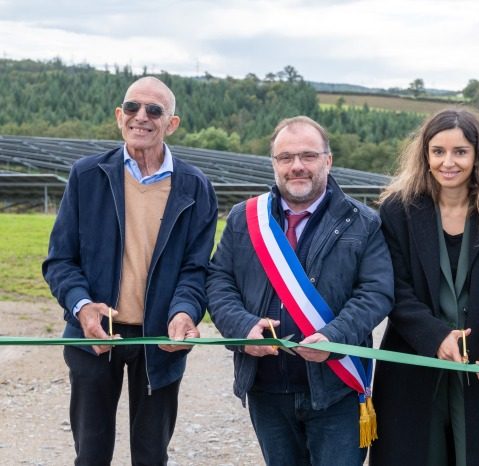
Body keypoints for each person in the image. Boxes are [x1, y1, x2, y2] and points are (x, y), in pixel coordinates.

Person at [42, 76, 218, 466]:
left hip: (159, 339)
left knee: (152, 455)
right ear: (119, 116)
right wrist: (82, 306)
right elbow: (60, 260)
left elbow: (196, 269)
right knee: (91, 453)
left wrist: (185, 312)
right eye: (133, 107)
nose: (142, 116)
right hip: (93, 336)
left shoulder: (196, 186)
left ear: (171, 123)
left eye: (154, 110)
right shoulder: (87, 175)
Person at [206, 115, 393, 466]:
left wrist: (334, 336)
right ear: (274, 163)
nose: (297, 167)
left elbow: (376, 292)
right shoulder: (244, 218)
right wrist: (241, 327)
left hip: (336, 388)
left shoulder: (363, 222)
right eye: (286, 158)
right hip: (266, 388)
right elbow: (219, 282)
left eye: (308, 156)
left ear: (328, 160)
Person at [370, 108, 479, 466]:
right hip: (412, 362)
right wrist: (435, 335)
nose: (449, 162)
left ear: (477, 155)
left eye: (460, 151)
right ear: (425, 155)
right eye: (438, 151)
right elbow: (395, 289)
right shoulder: (398, 210)